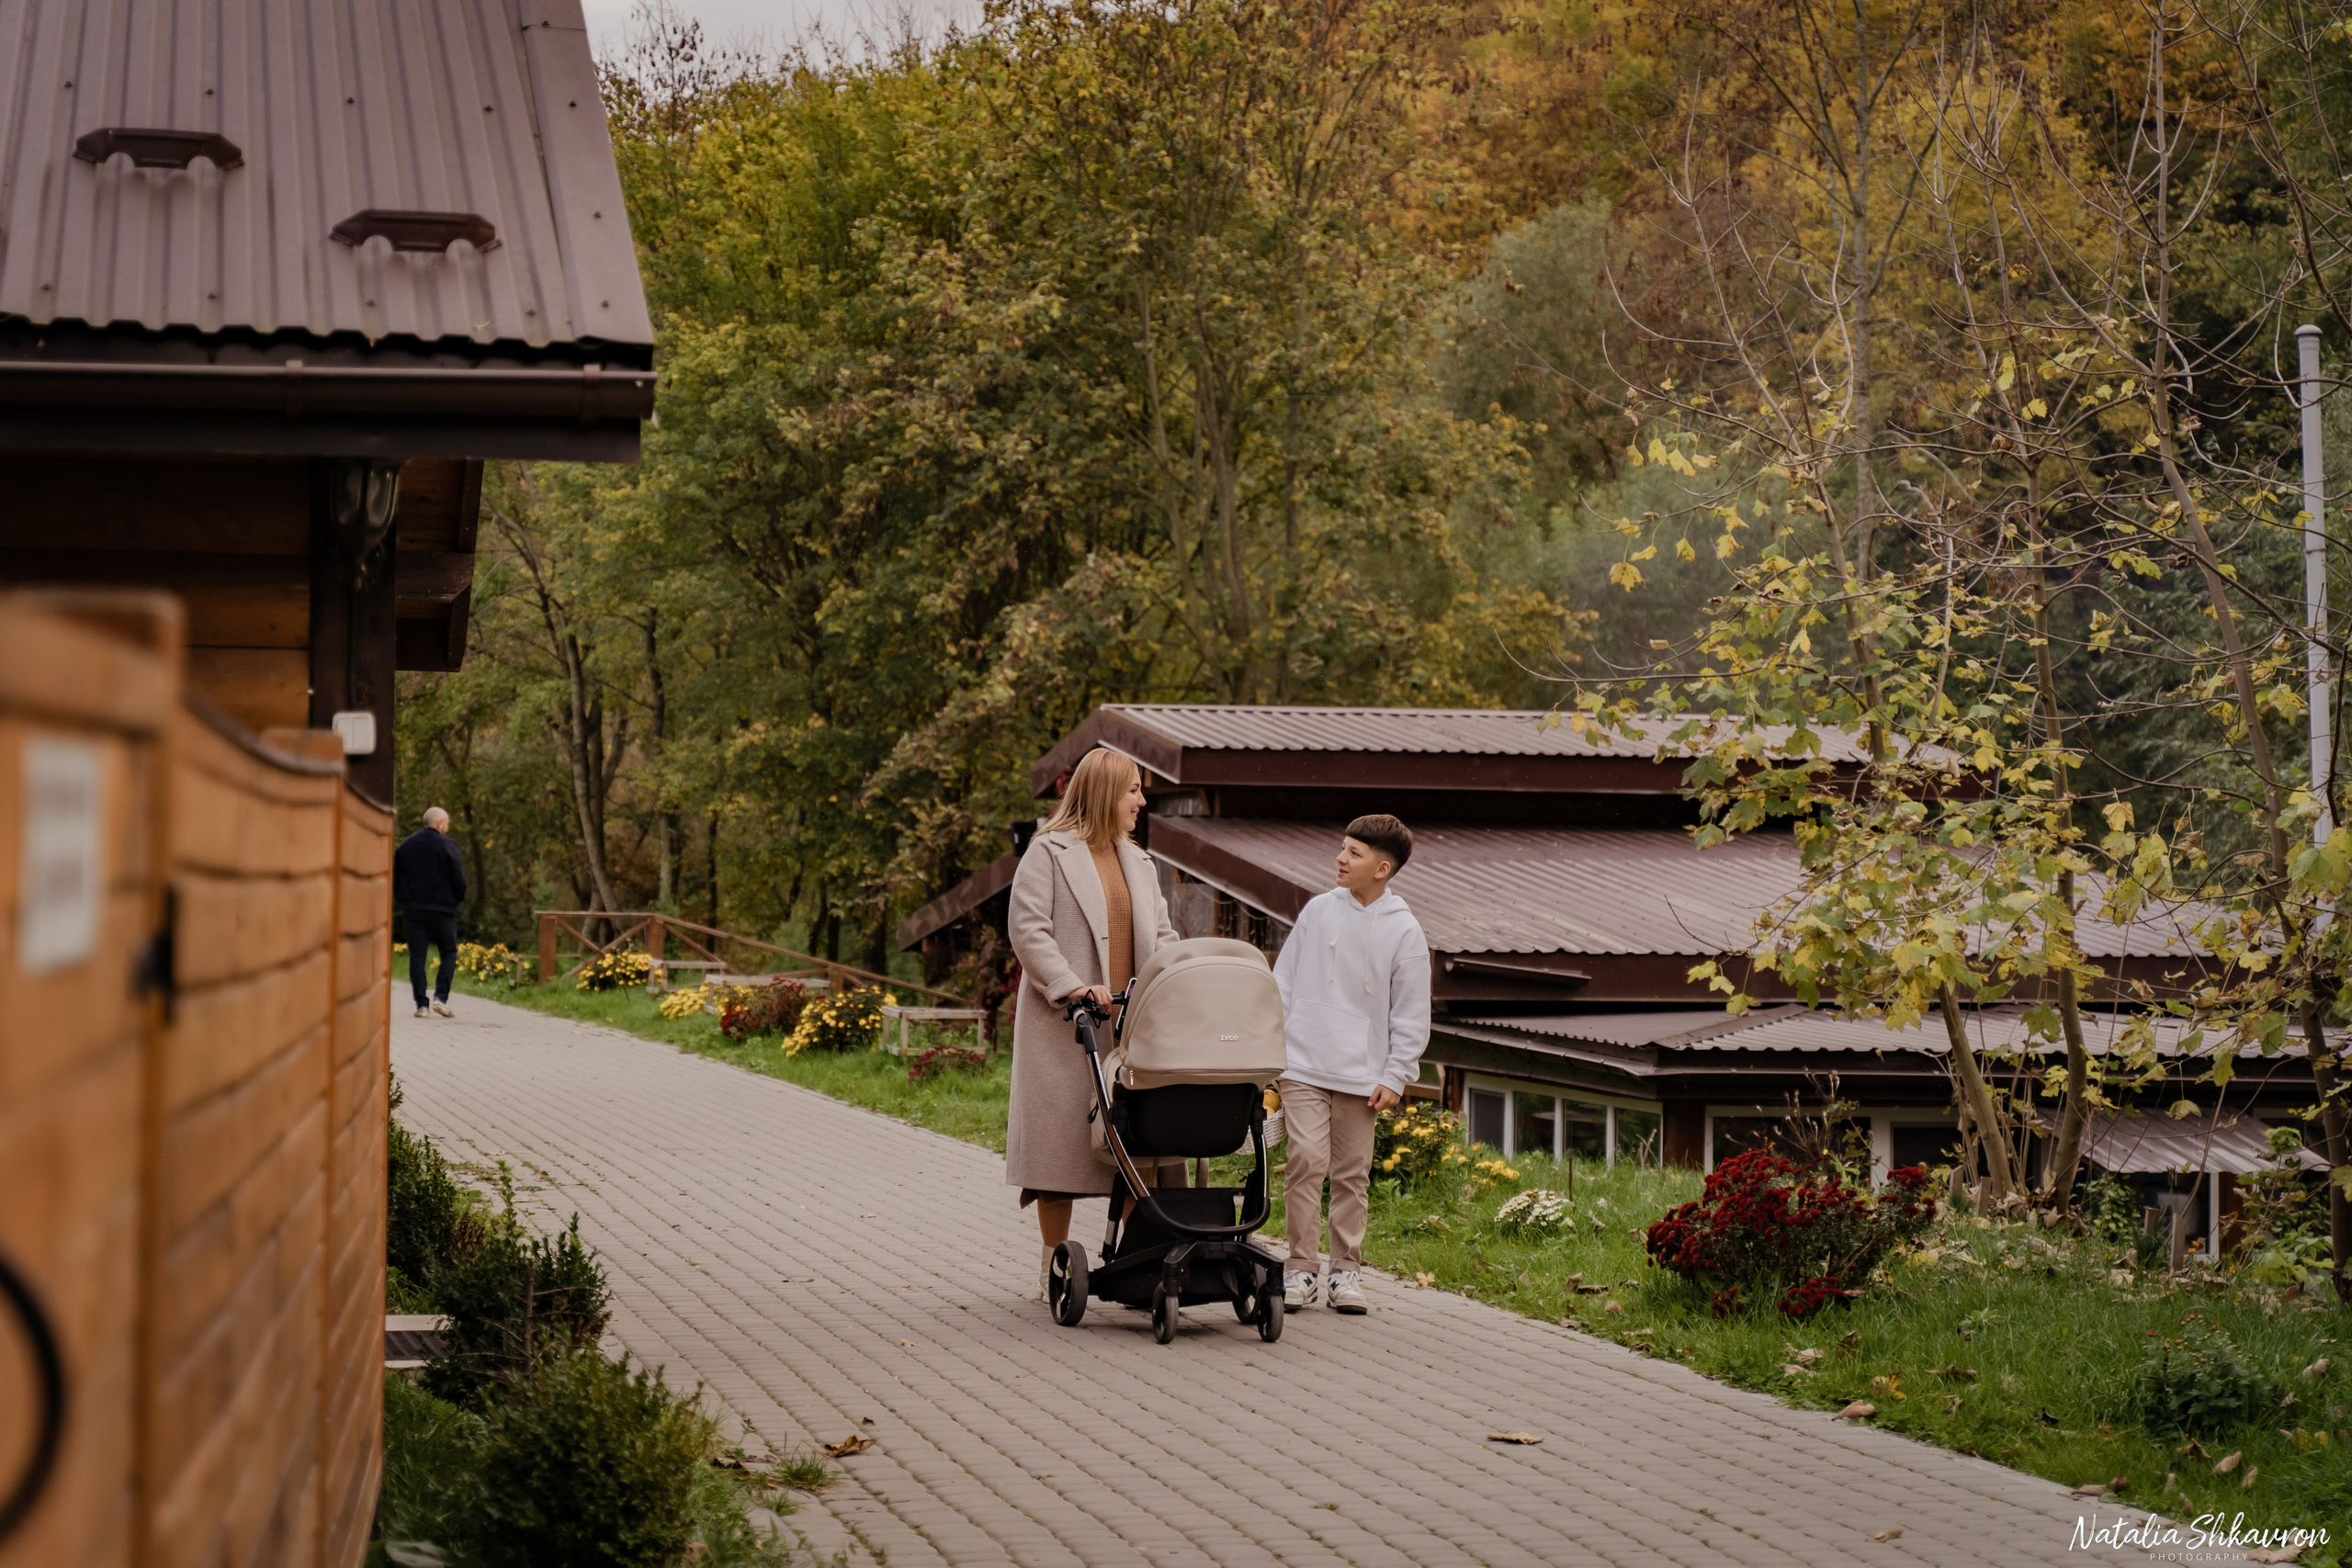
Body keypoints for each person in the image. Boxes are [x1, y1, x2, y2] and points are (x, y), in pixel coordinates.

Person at [1004, 748, 1188, 1303]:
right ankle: (1051, 1265)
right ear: (1107, 792)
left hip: (1131, 1023)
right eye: (1133, 789)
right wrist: (1071, 986)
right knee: (1058, 1149)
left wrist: (1179, 978)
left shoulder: (1140, 861)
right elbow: (1029, 931)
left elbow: (1163, 937)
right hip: (1067, 1022)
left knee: (1136, 1142)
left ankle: (1131, 1260)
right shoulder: (1048, 853)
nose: (1141, 800)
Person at [1272, 814, 1430, 1314]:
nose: (1340, 859)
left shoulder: (1405, 931)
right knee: (1306, 1163)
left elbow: (1410, 1008)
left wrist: (1396, 1073)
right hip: (1302, 1064)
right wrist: (1273, 1050)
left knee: (1352, 1173)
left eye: (1353, 853)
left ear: (1382, 869)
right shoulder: (1318, 911)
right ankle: (1299, 1269)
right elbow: (1284, 981)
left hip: (1363, 1075)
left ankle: (1345, 1272)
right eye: (1342, 849)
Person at [394, 807, 468, 1020]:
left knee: (417, 956)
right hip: (443, 909)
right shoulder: (448, 846)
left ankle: (422, 1005)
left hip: (415, 909)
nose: (447, 827)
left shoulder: (406, 847)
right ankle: (440, 998)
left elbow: (397, 878)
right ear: (438, 824)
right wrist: (455, 900)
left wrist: (405, 900)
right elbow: (459, 880)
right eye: (446, 823)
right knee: (449, 952)